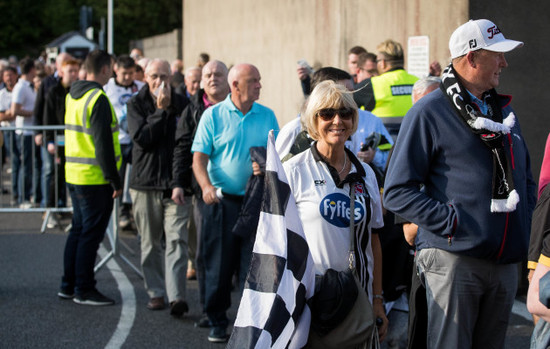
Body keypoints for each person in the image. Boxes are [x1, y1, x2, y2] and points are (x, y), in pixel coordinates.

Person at [383, 19, 536, 348]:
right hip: (455, 260)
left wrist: (525, 222)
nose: (505, 63)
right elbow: (396, 192)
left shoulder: (503, 112)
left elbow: (524, 178)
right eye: (498, 55)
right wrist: (452, 222)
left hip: (504, 262)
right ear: (472, 58)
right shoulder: (430, 111)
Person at [281, 80, 388, 344]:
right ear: (313, 121)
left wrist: (377, 299)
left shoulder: (366, 175)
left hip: (357, 299)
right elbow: (276, 240)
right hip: (309, 300)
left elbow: (373, 241)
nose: (337, 121)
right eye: (327, 114)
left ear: (354, 120)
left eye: (345, 113)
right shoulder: (293, 171)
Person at [191, 63, 278, 343]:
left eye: (259, 80)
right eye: (254, 81)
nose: (259, 85)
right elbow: (199, 158)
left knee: (251, 264)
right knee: (219, 264)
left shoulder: (267, 115)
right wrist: (205, 187)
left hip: (255, 202)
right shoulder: (213, 116)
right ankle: (217, 320)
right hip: (222, 202)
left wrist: (266, 165)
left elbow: (278, 154)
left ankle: (248, 322)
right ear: (236, 85)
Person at [126, 59, 191, 316]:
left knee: (177, 240)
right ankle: (155, 292)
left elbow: (183, 142)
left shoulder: (182, 103)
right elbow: (141, 138)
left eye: (164, 76)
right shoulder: (135, 103)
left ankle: (176, 296)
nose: (160, 82)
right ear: (145, 76)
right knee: (150, 243)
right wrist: (161, 111)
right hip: (145, 184)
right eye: (154, 76)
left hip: (175, 185)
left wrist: (181, 182)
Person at [59, 49, 122, 306]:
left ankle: (68, 284)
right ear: (105, 69)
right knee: (90, 236)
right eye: (113, 68)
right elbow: (103, 145)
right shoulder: (98, 98)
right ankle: (84, 289)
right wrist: (115, 180)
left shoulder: (74, 95)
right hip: (94, 179)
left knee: (78, 231)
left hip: (75, 175)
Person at [172, 59, 230, 327]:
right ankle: (210, 309)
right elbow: (183, 148)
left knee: (235, 254)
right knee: (206, 252)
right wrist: (178, 183)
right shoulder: (193, 109)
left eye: (218, 73)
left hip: (238, 194)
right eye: (207, 74)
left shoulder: (240, 107)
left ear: (229, 79)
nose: (212, 78)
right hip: (203, 192)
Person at [103, 55, 145, 230]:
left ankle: (132, 211)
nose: (127, 77)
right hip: (118, 140)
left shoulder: (141, 87)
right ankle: (119, 212)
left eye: (130, 73)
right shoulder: (107, 88)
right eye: (124, 73)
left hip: (137, 141)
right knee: (118, 180)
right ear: (115, 71)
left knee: (137, 178)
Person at [353, 39, 419, 138]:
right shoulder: (418, 82)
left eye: (377, 60)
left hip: (381, 149)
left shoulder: (372, 84)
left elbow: (346, 104)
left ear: (382, 63)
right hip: (412, 145)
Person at [34, 53, 74, 209]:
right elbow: (42, 111)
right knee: (50, 171)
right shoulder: (49, 84)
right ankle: (48, 206)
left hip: (68, 137)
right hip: (52, 135)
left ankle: (62, 205)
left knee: (63, 172)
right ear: (59, 67)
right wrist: (43, 134)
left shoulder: (75, 88)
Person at [43, 59, 80, 221]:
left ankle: (64, 207)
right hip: (58, 138)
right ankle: (50, 209)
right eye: (70, 71)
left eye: (75, 71)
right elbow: (48, 116)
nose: (73, 74)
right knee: (56, 174)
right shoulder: (54, 91)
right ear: (62, 72)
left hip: (75, 139)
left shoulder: (78, 90)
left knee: (70, 174)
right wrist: (49, 140)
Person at [11, 58, 36, 207]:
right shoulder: (21, 87)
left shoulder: (28, 86)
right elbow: (15, 110)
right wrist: (33, 113)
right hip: (24, 132)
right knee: (24, 166)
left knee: (28, 166)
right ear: (32, 69)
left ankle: (27, 195)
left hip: (29, 131)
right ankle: (23, 198)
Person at [0, 66, 18, 198]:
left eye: (11, 75)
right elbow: (3, 116)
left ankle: (18, 191)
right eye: (6, 75)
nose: (9, 78)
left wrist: (12, 112)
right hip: (7, 131)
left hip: (22, 131)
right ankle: (15, 191)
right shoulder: (2, 94)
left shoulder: (21, 90)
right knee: (12, 160)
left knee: (19, 161)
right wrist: (12, 113)